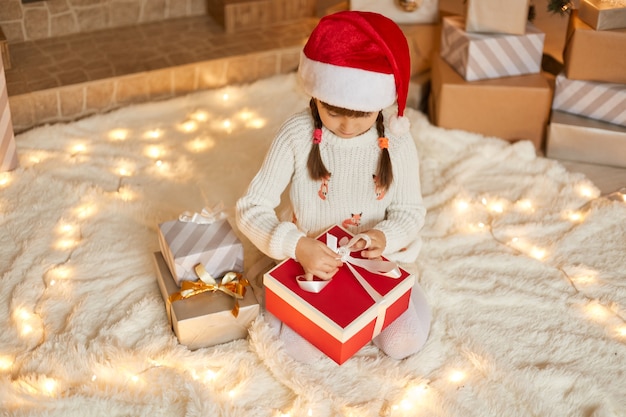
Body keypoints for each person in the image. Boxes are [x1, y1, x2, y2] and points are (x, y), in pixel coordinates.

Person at [236, 10, 430, 363]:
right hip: (309, 259)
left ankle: (389, 304)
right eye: (334, 111)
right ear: (317, 95)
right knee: (302, 352)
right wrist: (297, 245)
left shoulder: (397, 141)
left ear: (380, 106)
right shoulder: (296, 135)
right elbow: (251, 208)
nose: (346, 125)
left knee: (405, 342)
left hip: (373, 262)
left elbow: (410, 212)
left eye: (361, 115)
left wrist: (383, 237)